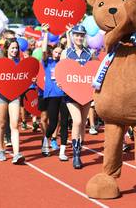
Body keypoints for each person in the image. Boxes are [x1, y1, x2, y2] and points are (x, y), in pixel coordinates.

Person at [61, 24, 94, 169]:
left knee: (83, 125)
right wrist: (61, 83)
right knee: (77, 120)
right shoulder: (66, 53)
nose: (79, 37)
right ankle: (75, 155)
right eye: (77, 35)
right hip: (71, 94)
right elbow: (61, 72)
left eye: (81, 35)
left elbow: (95, 72)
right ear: (72, 36)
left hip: (86, 93)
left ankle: (79, 150)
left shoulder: (90, 53)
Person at [39, 28, 70, 161]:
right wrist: (45, 33)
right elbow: (44, 50)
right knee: (52, 123)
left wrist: (68, 33)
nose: (57, 54)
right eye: (56, 52)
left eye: (60, 52)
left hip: (64, 95)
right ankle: (46, 139)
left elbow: (69, 49)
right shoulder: (48, 62)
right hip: (51, 96)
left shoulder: (64, 63)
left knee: (64, 123)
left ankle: (62, 150)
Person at [0, 38, 25, 164]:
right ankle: (1, 149)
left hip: (14, 96)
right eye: (12, 48)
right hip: (1, 96)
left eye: (16, 48)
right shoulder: (0, 62)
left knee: (14, 124)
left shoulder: (20, 62)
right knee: (1, 123)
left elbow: (23, 78)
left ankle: (16, 154)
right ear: (7, 49)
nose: (14, 50)